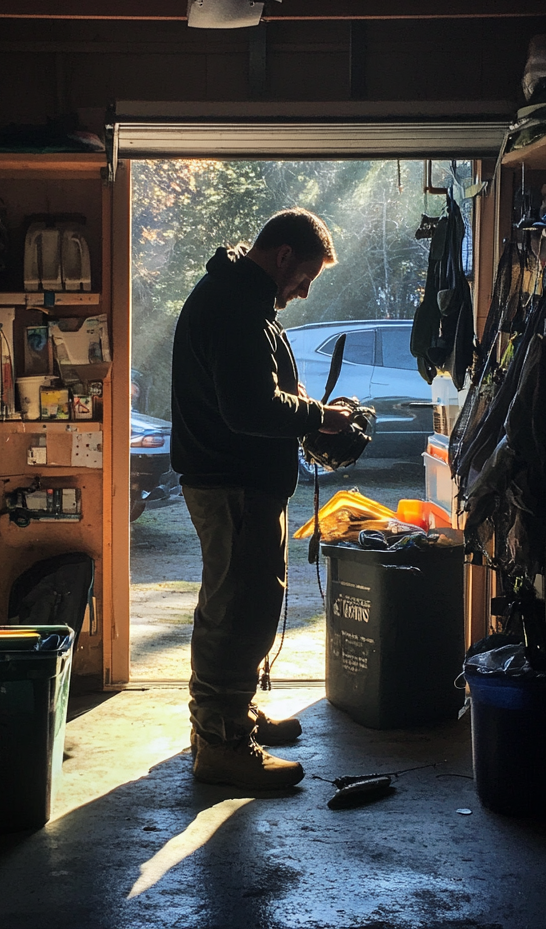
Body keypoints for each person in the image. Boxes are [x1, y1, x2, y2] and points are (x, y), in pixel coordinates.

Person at [171, 208, 353, 789]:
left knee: (241, 605)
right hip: (234, 487)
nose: (302, 293)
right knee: (237, 610)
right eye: (304, 278)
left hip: (239, 483)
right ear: (282, 257)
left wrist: (298, 404)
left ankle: (226, 717)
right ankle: (222, 745)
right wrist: (319, 416)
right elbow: (248, 408)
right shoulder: (235, 306)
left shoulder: (243, 299)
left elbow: (260, 389)